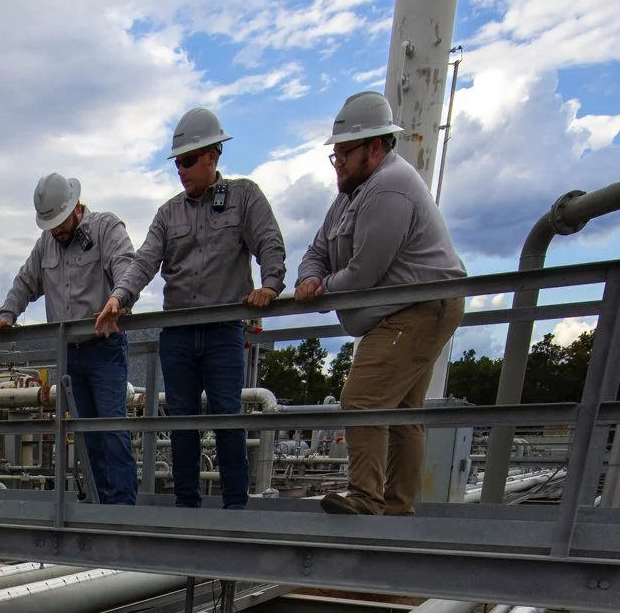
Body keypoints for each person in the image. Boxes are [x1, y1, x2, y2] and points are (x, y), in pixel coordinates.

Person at [94, 107, 284, 509]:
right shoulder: (169, 214)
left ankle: (234, 509)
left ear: (213, 156)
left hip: (222, 330)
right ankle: (187, 506)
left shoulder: (244, 198)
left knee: (226, 419)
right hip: (178, 333)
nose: (180, 170)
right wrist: (118, 297)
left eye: (187, 161)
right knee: (181, 423)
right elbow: (144, 261)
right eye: (177, 163)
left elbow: (269, 241)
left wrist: (270, 285)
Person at [294, 90, 466, 516]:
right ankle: (397, 508)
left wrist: (321, 289)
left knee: (363, 399)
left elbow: (363, 275)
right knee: (403, 410)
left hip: (419, 307)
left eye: (345, 154)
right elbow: (316, 249)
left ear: (375, 146)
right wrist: (309, 277)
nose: (339, 164)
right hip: (412, 307)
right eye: (335, 156)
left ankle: (368, 500)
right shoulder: (352, 194)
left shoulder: (390, 188)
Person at [0, 173, 138, 504]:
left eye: (58, 222)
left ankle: (122, 508)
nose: (55, 230)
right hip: (70, 353)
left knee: (111, 430)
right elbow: (26, 281)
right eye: (49, 224)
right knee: (85, 436)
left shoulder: (105, 229)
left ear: (75, 207)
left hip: (104, 347)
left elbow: (127, 267)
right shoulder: (47, 245)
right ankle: (98, 505)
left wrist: (118, 299)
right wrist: (6, 314)